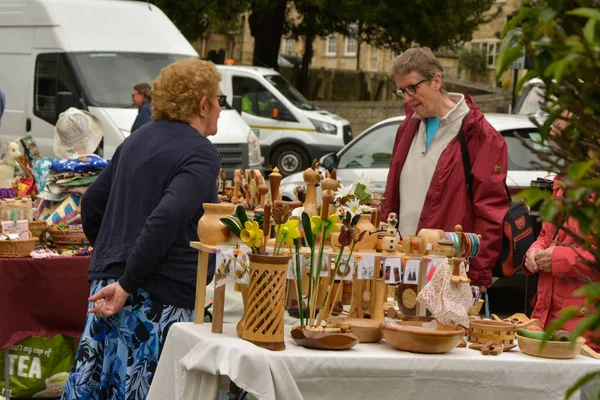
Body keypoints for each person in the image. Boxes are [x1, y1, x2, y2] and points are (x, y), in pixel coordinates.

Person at [61, 58, 224, 399]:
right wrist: (128, 280)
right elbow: (167, 217)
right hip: (153, 297)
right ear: (203, 104)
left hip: (112, 286)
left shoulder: (136, 140)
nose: (220, 109)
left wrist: (113, 260)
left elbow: (92, 203)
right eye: (219, 100)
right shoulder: (201, 152)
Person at [381, 47, 509, 292]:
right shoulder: (407, 128)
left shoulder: (480, 135)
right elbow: (393, 197)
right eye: (402, 91)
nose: (407, 98)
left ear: (436, 81)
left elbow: (490, 213)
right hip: (402, 268)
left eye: (412, 88)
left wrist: (479, 278)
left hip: (449, 274)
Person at [523, 111, 600, 351]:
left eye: (559, 130)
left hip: (586, 328)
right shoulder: (564, 179)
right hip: (549, 319)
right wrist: (534, 251)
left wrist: (560, 258)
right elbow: (548, 236)